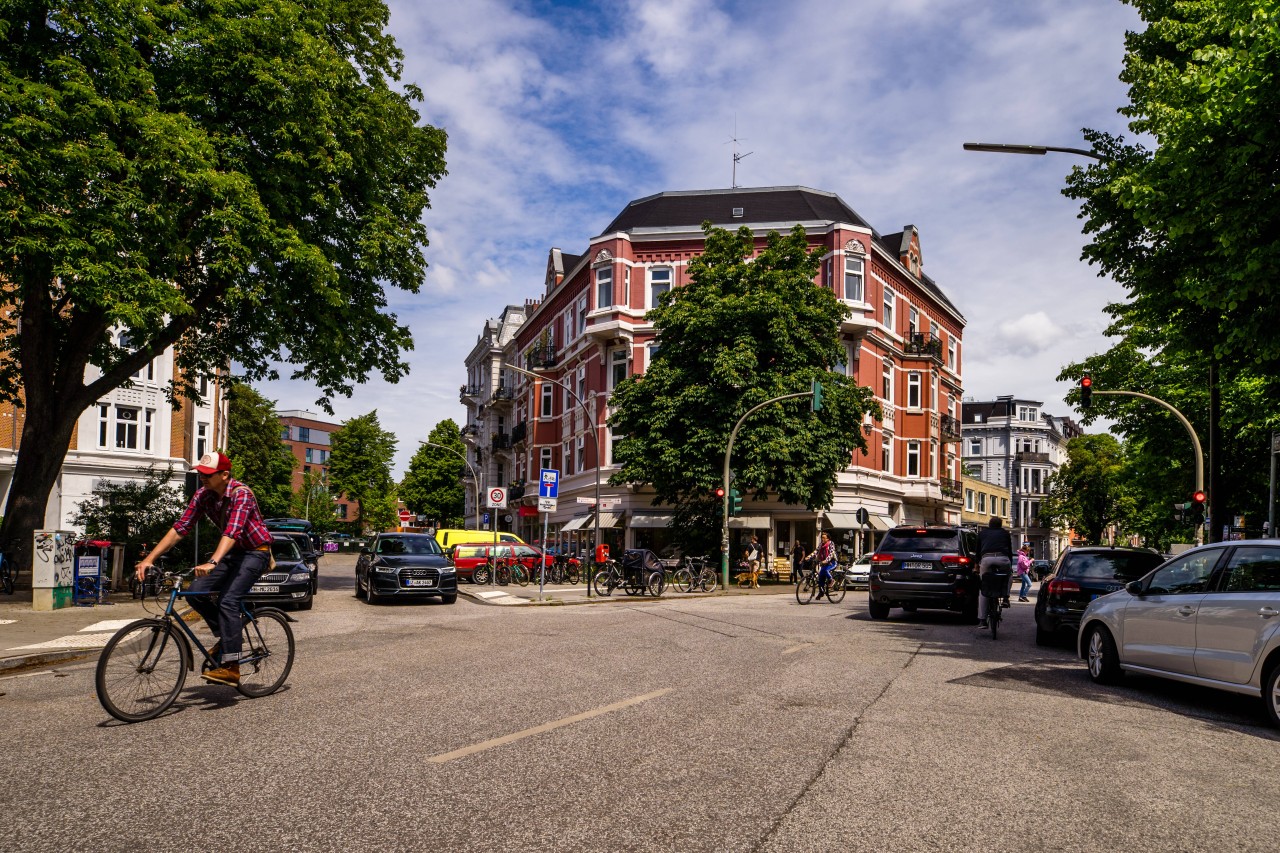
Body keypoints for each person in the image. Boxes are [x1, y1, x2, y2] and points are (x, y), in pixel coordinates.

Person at [135, 451, 273, 686]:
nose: (202, 478)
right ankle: (229, 635)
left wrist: (213, 561)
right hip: (231, 554)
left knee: (228, 601)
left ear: (225, 474)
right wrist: (150, 558)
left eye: (208, 474)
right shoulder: (203, 495)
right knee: (196, 591)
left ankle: (231, 666)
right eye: (200, 473)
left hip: (255, 552)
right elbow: (181, 527)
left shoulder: (242, 494)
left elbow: (232, 532)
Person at [975, 516, 1013, 629]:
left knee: (984, 588)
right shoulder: (1005, 533)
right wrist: (1009, 565)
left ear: (989, 524)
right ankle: (1006, 597)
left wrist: (977, 565)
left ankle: (982, 620)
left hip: (987, 559)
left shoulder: (982, 533)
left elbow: (977, 551)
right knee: (1008, 576)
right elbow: (1009, 550)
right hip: (1003, 558)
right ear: (1000, 525)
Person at [814, 530, 837, 599]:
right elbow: (816, 551)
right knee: (820, 577)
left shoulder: (831, 544)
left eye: (824, 538)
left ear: (828, 539)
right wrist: (808, 557)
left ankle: (832, 580)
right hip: (824, 563)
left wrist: (826, 560)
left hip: (832, 562)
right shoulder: (821, 544)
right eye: (822, 538)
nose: (822, 539)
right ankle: (821, 592)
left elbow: (831, 554)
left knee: (826, 570)